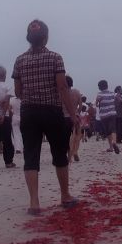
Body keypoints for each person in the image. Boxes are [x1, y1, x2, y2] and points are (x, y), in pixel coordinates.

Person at [13, 19, 79, 214]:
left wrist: (31, 96)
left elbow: (17, 91)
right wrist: (73, 114)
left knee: (31, 155)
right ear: (46, 37)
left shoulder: (19, 60)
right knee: (59, 153)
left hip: (28, 111)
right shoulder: (55, 58)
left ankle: (34, 202)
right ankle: (65, 196)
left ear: (28, 38)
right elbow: (62, 87)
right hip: (51, 110)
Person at [96, 80, 120, 154]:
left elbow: (96, 104)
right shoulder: (112, 93)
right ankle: (114, 142)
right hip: (112, 113)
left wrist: (99, 101)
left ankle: (111, 147)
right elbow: (119, 99)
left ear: (100, 87)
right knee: (113, 129)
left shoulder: (99, 94)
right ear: (107, 85)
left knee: (108, 131)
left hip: (104, 115)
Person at [64, 75, 83, 162]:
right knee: (77, 136)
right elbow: (80, 106)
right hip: (75, 117)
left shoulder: (61, 93)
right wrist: (77, 113)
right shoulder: (76, 92)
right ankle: (75, 152)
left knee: (66, 137)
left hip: (63, 117)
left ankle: (68, 155)